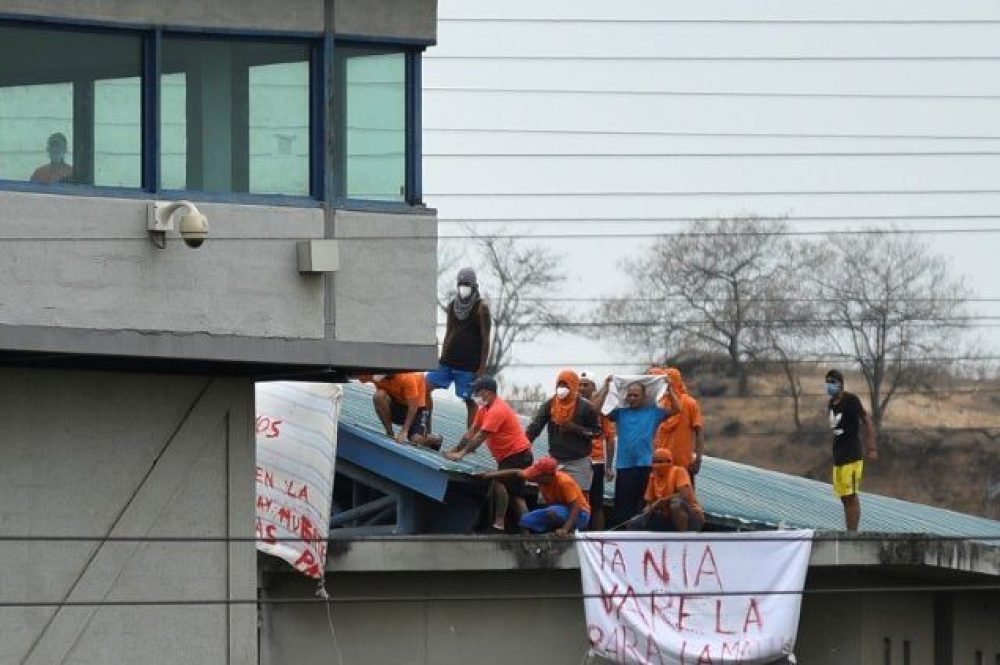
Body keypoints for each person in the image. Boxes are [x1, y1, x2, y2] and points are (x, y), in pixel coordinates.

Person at [445, 375, 532, 533]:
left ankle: (499, 524)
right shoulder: (484, 410)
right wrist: (455, 450)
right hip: (508, 456)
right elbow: (472, 432)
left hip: (518, 454)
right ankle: (526, 529)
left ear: (486, 392)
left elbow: (481, 436)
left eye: (477, 391)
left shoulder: (497, 409)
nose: (475, 395)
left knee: (499, 482)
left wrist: (462, 454)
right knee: (516, 494)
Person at [601, 377, 680, 527]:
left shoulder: (654, 412)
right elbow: (602, 411)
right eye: (629, 395)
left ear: (644, 397)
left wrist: (670, 389)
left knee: (643, 505)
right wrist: (607, 389)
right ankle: (624, 535)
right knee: (623, 507)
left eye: (635, 395)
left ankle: (642, 535)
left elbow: (677, 409)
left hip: (645, 465)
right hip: (624, 466)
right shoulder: (620, 413)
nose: (632, 398)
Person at [426, 267, 492, 431]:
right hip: (447, 362)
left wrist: (481, 368)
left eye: (467, 284)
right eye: (461, 284)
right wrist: (441, 356)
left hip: (468, 366)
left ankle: (469, 440)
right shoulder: (452, 306)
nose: (463, 287)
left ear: (474, 286)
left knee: (471, 401)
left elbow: (486, 340)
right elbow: (449, 331)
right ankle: (425, 430)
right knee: (423, 388)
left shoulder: (481, 308)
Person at [524, 369, 601, 493]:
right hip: (555, 461)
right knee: (551, 498)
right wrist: (524, 446)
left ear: (573, 385)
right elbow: (535, 427)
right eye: (559, 385)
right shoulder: (549, 405)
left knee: (578, 500)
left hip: (578, 462)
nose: (561, 388)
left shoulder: (586, 407)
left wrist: (575, 429)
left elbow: (597, 432)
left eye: (565, 385)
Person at [481, 456, 590, 537]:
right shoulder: (538, 477)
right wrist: (492, 474)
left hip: (580, 514)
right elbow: (518, 472)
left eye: (539, 475)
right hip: (559, 510)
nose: (535, 477)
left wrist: (565, 529)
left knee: (551, 513)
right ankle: (527, 545)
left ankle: (568, 532)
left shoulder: (564, 481)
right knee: (525, 520)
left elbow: (576, 507)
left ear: (549, 475)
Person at [826, 369, 878, 532]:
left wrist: (871, 447)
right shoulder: (831, 404)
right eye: (827, 382)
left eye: (832, 382)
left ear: (840, 384)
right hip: (839, 457)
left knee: (851, 495)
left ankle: (852, 534)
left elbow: (867, 421)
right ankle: (849, 530)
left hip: (852, 456)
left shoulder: (851, 400)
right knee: (842, 496)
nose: (829, 386)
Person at [626, 448, 705, 532]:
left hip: (692, 518)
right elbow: (649, 503)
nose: (657, 465)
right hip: (667, 517)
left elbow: (684, 495)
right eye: (655, 462)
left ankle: (683, 538)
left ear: (669, 461)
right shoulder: (653, 476)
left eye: (660, 461)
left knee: (675, 503)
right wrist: (645, 512)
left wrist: (661, 502)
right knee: (634, 523)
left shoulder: (679, 471)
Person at [651, 367, 706, 486]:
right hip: (662, 465)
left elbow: (699, 433)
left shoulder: (690, 403)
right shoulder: (660, 404)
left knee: (684, 500)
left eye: (668, 380)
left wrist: (698, 459)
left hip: (684, 464)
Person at [360, 373, 441, 448]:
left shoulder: (407, 378)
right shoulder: (376, 374)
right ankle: (389, 432)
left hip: (417, 409)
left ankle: (436, 439)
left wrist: (404, 431)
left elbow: (413, 407)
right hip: (397, 404)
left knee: (416, 440)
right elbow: (360, 377)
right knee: (379, 396)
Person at [579, 371, 616, 530]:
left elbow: (610, 438)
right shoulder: (572, 405)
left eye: (585, 385)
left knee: (596, 501)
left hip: (596, 460)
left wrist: (608, 466)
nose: (581, 388)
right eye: (579, 384)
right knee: (579, 500)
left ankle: (598, 537)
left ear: (594, 388)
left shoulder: (602, 410)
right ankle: (580, 534)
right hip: (577, 460)